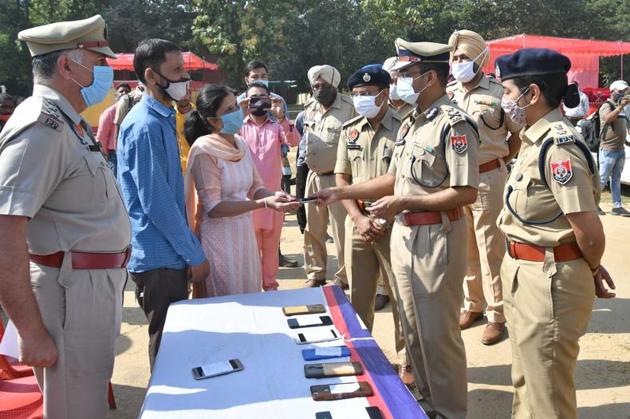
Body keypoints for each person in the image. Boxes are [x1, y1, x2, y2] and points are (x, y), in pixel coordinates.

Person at [317, 39, 479, 418]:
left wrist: (407, 202)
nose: (400, 80)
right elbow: (393, 179)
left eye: (407, 74)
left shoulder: (453, 124)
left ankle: (449, 412)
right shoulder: (413, 121)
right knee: (414, 329)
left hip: (437, 236)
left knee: (438, 335)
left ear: (431, 77)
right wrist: (343, 191)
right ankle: (426, 401)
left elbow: (465, 191)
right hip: (407, 235)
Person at [0, 15, 131, 419]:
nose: (105, 73)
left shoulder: (68, 123)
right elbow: (5, 230)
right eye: (98, 62)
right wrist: (30, 331)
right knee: (76, 410)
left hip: (87, 288)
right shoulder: (41, 127)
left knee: (85, 402)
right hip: (69, 293)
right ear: (67, 66)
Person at [496, 47, 615, 419]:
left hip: (548, 282)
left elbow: (590, 234)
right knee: (526, 381)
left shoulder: (557, 147)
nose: (504, 102)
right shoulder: (532, 140)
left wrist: (591, 269)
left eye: (508, 92)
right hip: (522, 272)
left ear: (532, 94)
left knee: (548, 393)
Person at [117, 39, 210, 369]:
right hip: (159, 256)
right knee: (167, 346)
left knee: (175, 341)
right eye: (176, 71)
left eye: (184, 70)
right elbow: (156, 202)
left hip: (168, 251)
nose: (185, 78)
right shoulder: (145, 125)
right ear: (151, 76)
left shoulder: (164, 117)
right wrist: (193, 252)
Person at [334, 64, 411, 383]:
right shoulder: (349, 130)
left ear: (384, 94)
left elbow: (405, 178)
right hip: (359, 223)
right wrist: (358, 217)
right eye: (356, 95)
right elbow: (342, 178)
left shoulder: (405, 127)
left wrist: (383, 215)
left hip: (395, 221)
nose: (361, 100)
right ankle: (363, 357)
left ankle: (408, 361)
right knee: (360, 297)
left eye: (367, 94)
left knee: (401, 296)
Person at [184, 84, 299, 296]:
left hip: (244, 236)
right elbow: (214, 207)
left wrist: (275, 196)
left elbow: (256, 187)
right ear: (212, 121)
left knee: (249, 292)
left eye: (236, 106)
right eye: (228, 110)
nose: (237, 112)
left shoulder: (240, 143)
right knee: (228, 301)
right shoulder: (204, 151)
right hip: (219, 240)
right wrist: (263, 203)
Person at [447, 30, 522, 345]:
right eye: (454, 58)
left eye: (463, 57)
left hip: (488, 177)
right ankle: (473, 304)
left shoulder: (499, 93)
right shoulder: (448, 93)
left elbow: (516, 134)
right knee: (465, 247)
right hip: (455, 180)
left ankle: (497, 315)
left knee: (491, 249)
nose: (457, 63)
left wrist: (502, 160)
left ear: (479, 58)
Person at [237, 60, 298, 268]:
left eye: (263, 75)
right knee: (249, 248)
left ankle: (271, 286)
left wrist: (281, 118)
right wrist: (239, 115)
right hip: (246, 195)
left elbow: (294, 142)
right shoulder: (238, 112)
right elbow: (223, 141)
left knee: (271, 243)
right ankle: (253, 287)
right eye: (254, 76)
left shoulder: (276, 118)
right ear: (246, 81)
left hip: (273, 192)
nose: (258, 102)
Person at [303, 64, 354, 288]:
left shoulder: (350, 108)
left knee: (341, 229)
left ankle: (343, 277)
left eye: (324, 86)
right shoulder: (309, 108)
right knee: (313, 229)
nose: (319, 90)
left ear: (334, 85)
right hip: (313, 177)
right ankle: (316, 273)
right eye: (315, 86)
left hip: (339, 178)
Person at [598, 79, 630, 216]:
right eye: (620, 91)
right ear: (612, 92)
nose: (623, 93)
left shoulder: (622, 107)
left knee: (616, 178)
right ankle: (593, 204)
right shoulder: (607, 105)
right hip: (608, 150)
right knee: (602, 179)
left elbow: (625, 125)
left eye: (625, 91)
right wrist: (620, 107)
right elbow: (607, 118)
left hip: (620, 149)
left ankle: (617, 206)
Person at [95, 82, 130, 175]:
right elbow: (101, 136)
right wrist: (105, 156)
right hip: (114, 155)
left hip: (130, 153)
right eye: (121, 91)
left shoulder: (133, 111)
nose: (124, 93)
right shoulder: (110, 112)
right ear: (116, 95)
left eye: (127, 91)